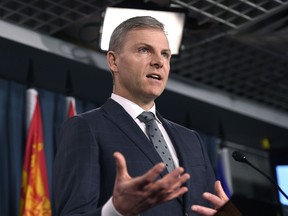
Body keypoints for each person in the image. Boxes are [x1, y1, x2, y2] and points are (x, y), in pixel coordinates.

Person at [53, 16, 229, 216]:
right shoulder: (86, 127)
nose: (158, 62)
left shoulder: (192, 140)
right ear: (114, 61)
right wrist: (115, 210)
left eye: (165, 54)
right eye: (144, 50)